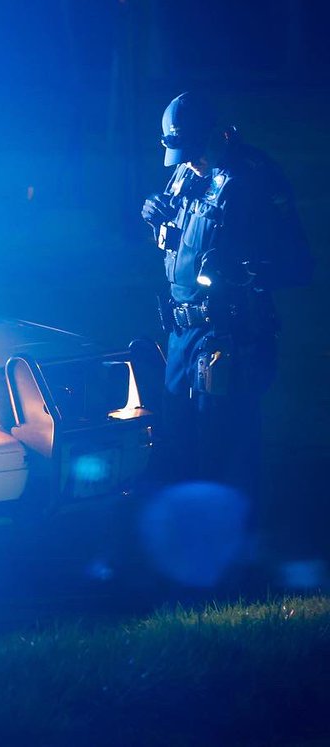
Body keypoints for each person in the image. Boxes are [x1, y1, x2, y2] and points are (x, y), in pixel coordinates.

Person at [141, 92, 313, 536]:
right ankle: (187, 529)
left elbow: (297, 262)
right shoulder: (184, 174)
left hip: (230, 332)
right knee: (178, 433)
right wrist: (156, 216)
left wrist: (245, 268)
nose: (189, 161)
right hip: (183, 331)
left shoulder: (254, 177)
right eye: (181, 153)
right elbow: (183, 243)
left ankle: (235, 537)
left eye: (195, 151)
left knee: (224, 439)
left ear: (217, 136)